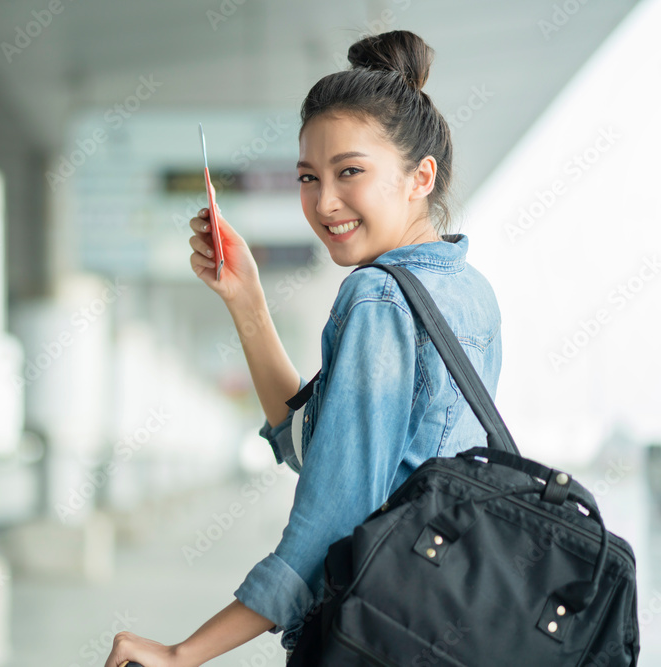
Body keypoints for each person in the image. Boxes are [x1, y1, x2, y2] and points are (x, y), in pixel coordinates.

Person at [105, 29, 503, 667]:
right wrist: (247, 299)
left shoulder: (377, 297)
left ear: (419, 177)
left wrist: (183, 653)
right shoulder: (467, 290)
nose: (323, 203)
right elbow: (325, 453)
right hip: (445, 623)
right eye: (307, 177)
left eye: (350, 172)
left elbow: (330, 522)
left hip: (375, 634)